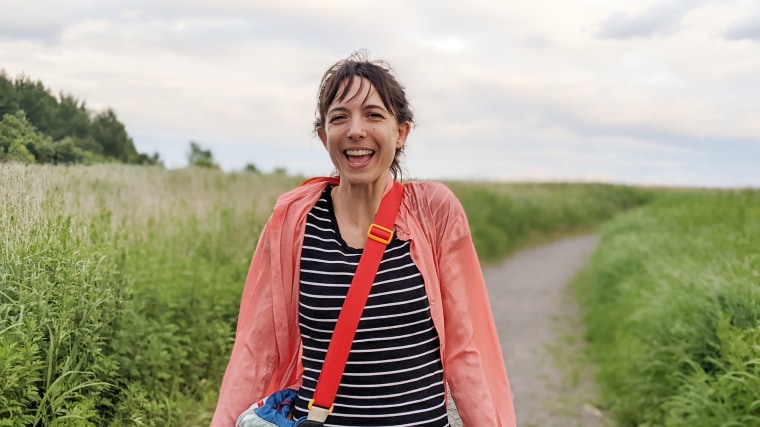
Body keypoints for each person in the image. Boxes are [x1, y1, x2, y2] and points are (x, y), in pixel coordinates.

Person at [210, 51, 516, 427]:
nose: (355, 130)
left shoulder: (434, 211)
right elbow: (255, 351)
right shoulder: (293, 220)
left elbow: (467, 350)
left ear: (400, 132)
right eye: (340, 117)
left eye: (373, 114)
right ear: (324, 137)